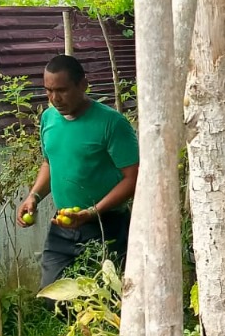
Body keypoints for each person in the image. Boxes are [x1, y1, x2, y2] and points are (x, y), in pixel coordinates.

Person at [16, 55, 139, 287]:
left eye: (61, 90)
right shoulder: (48, 118)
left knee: (108, 299)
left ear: (83, 85)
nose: (54, 99)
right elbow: (49, 163)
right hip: (62, 223)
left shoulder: (112, 123)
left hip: (107, 225)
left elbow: (133, 178)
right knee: (52, 297)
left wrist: (92, 212)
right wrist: (34, 196)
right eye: (48, 91)